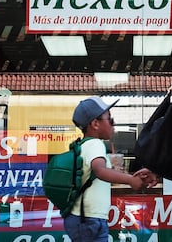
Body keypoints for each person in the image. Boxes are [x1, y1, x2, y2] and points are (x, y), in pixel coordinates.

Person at [64, 96, 157, 242]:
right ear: (95, 123)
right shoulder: (95, 144)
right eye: (110, 119)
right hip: (89, 219)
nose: (114, 124)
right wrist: (130, 180)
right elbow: (100, 171)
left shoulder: (83, 145)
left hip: (83, 217)